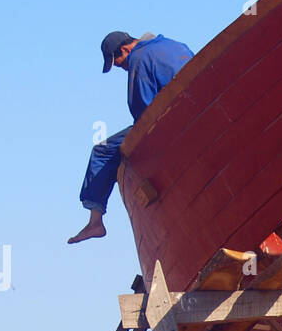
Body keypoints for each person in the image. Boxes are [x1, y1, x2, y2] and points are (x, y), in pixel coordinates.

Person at [69, 30, 195, 244]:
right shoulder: (174, 44)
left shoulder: (138, 57)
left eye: (119, 64)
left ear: (125, 49)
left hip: (171, 118)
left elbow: (143, 113)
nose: (122, 68)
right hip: (196, 107)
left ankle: (95, 221)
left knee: (102, 150)